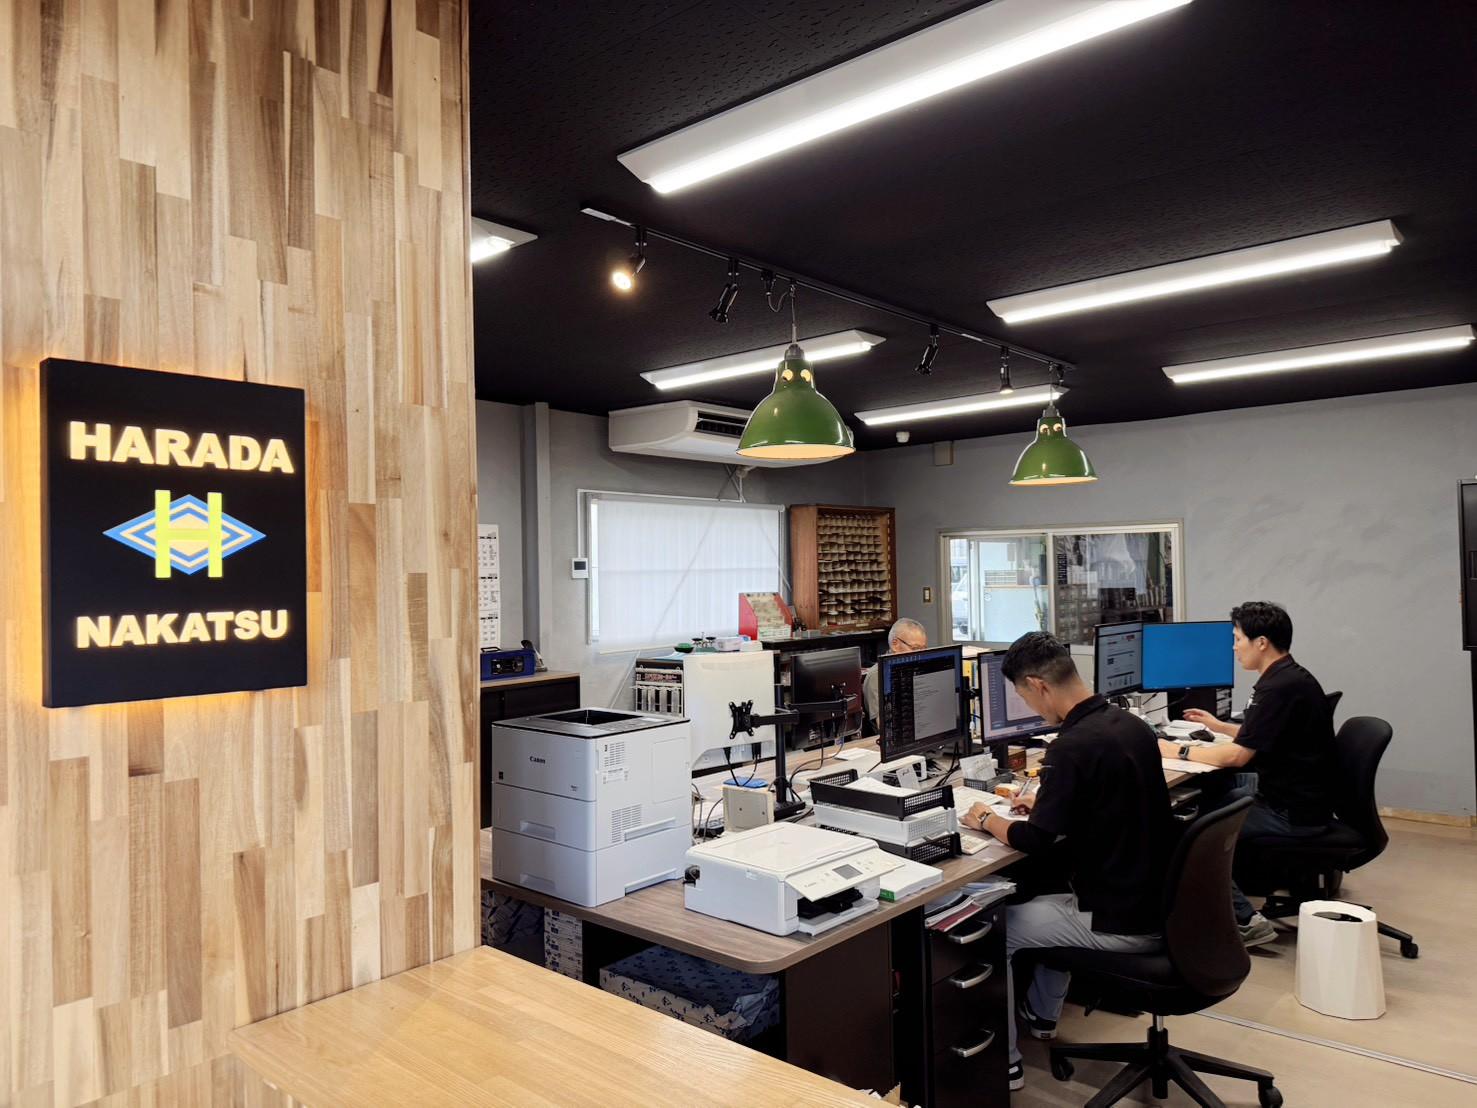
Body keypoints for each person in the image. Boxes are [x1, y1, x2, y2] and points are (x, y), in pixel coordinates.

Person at [961, 632, 1172, 1093]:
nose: (1032, 710)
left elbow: (1035, 839)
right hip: (1155, 900)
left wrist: (987, 820)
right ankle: (1042, 1017)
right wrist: (1049, 802)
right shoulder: (1129, 725)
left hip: (1120, 920)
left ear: (1039, 686)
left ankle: (1004, 1063)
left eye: (1025, 698)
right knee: (1044, 890)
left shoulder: (1071, 746)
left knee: (997, 929)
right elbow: (1106, 803)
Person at [1157, 601, 1336, 948]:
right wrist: (1218, 726)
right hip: (1302, 796)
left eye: (1238, 639)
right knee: (1215, 793)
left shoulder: (1277, 687)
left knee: (1190, 831)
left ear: (1262, 642)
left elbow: (1237, 756)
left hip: (1291, 811)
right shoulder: (1289, 677)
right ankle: (1210, 896)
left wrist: (1175, 750)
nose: (1234, 647)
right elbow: (1263, 735)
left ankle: (1245, 921)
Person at [861, 617, 928, 727]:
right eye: (915, 648)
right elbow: (884, 726)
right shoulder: (877, 676)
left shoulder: (917, 669)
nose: (920, 655)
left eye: (923, 649)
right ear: (895, 644)